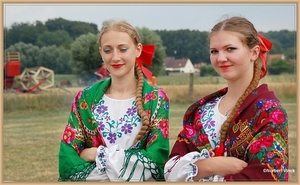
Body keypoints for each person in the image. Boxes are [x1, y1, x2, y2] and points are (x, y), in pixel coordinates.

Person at [164, 15, 288, 182]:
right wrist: (211, 166)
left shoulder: (269, 112)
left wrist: (196, 171)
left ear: (254, 52)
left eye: (230, 49)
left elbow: (269, 175)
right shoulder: (202, 111)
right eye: (214, 51)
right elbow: (171, 170)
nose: (221, 58)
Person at [58, 19, 170, 182]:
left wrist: (97, 154)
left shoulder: (156, 99)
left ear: (138, 50)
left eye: (123, 49)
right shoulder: (84, 99)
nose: (115, 57)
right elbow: (68, 159)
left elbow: (155, 158)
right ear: (101, 53)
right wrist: (121, 167)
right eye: (108, 50)